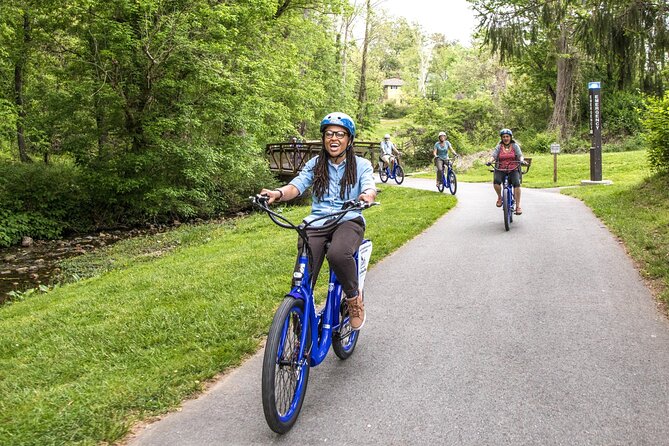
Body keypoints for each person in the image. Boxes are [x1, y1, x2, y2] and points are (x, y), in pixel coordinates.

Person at [260, 112, 377, 330]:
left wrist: (367, 196)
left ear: (349, 140)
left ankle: (354, 300)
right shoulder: (315, 164)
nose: (334, 139)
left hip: (348, 218)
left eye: (340, 134)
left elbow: (369, 185)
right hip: (318, 221)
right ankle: (299, 312)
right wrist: (277, 193)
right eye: (329, 134)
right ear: (323, 138)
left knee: (338, 254)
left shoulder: (361, 164)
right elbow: (296, 186)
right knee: (304, 272)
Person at [488, 128, 526, 215]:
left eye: (507, 136)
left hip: (513, 168)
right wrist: (490, 161)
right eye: (504, 137)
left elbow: (520, 155)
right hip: (501, 168)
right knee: (496, 181)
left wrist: (522, 160)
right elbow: (493, 156)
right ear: (501, 138)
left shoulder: (515, 146)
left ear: (510, 137)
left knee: (516, 183)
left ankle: (518, 206)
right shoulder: (499, 147)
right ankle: (499, 197)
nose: (505, 138)